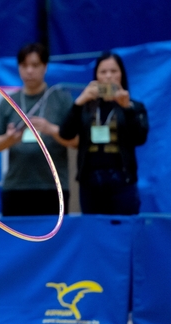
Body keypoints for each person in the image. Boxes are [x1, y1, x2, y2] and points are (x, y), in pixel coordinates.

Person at [0, 43, 77, 216]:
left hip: (53, 187)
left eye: (35, 65)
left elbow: (76, 141)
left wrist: (52, 130)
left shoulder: (61, 100)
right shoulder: (8, 102)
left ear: (45, 67)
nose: (29, 71)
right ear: (19, 68)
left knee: (54, 233)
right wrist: (9, 139)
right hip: (16, 187)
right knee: (15, 233)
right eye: (24, 65)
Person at [59, 52, 148, 215]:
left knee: (123, 227)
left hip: (123, 180)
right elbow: (65, 134)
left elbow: (140, 138)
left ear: (122, 74)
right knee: (94, 228)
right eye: (103, 72)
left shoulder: (134, 106)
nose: (108, 76)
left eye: (114, 71)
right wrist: (79, 102)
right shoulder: (85, 106)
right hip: (90, 182)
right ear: (96, 76)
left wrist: (127, 108)